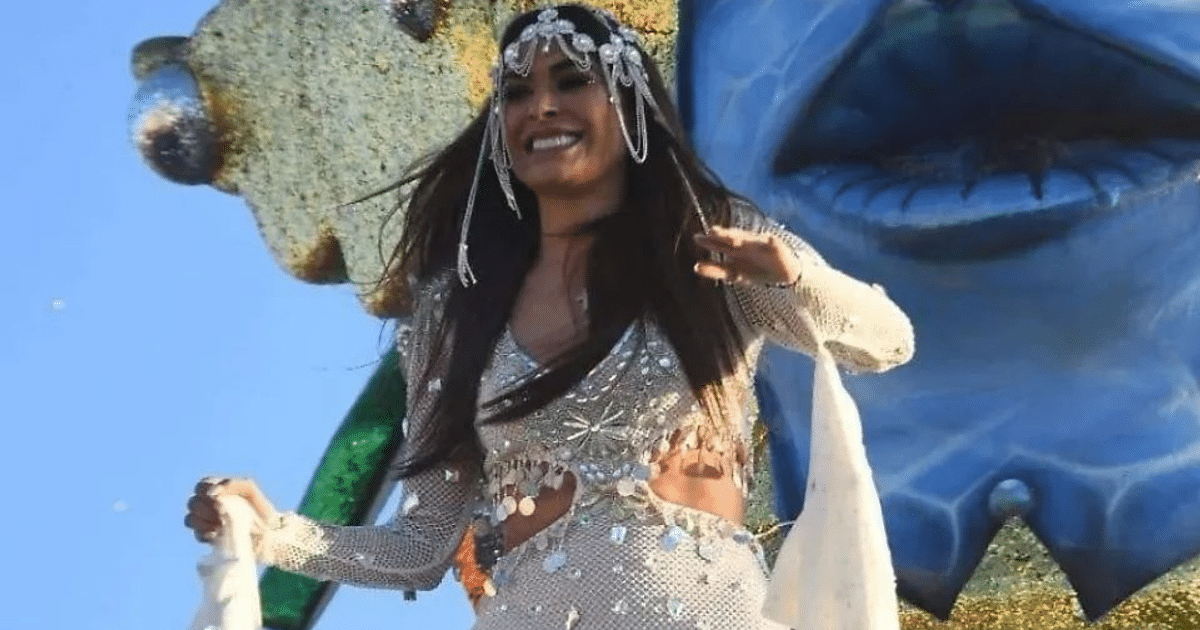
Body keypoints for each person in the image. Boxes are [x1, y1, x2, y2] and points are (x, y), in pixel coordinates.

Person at [184, 5, 915, 629]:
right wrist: (270, 531)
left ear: (629, 105)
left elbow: (887, 342)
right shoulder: (455, 309)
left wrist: (796, 278)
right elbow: (422, 546)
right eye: (516, 93)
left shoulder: (709, 246)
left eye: (571, 81)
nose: (541, 107)